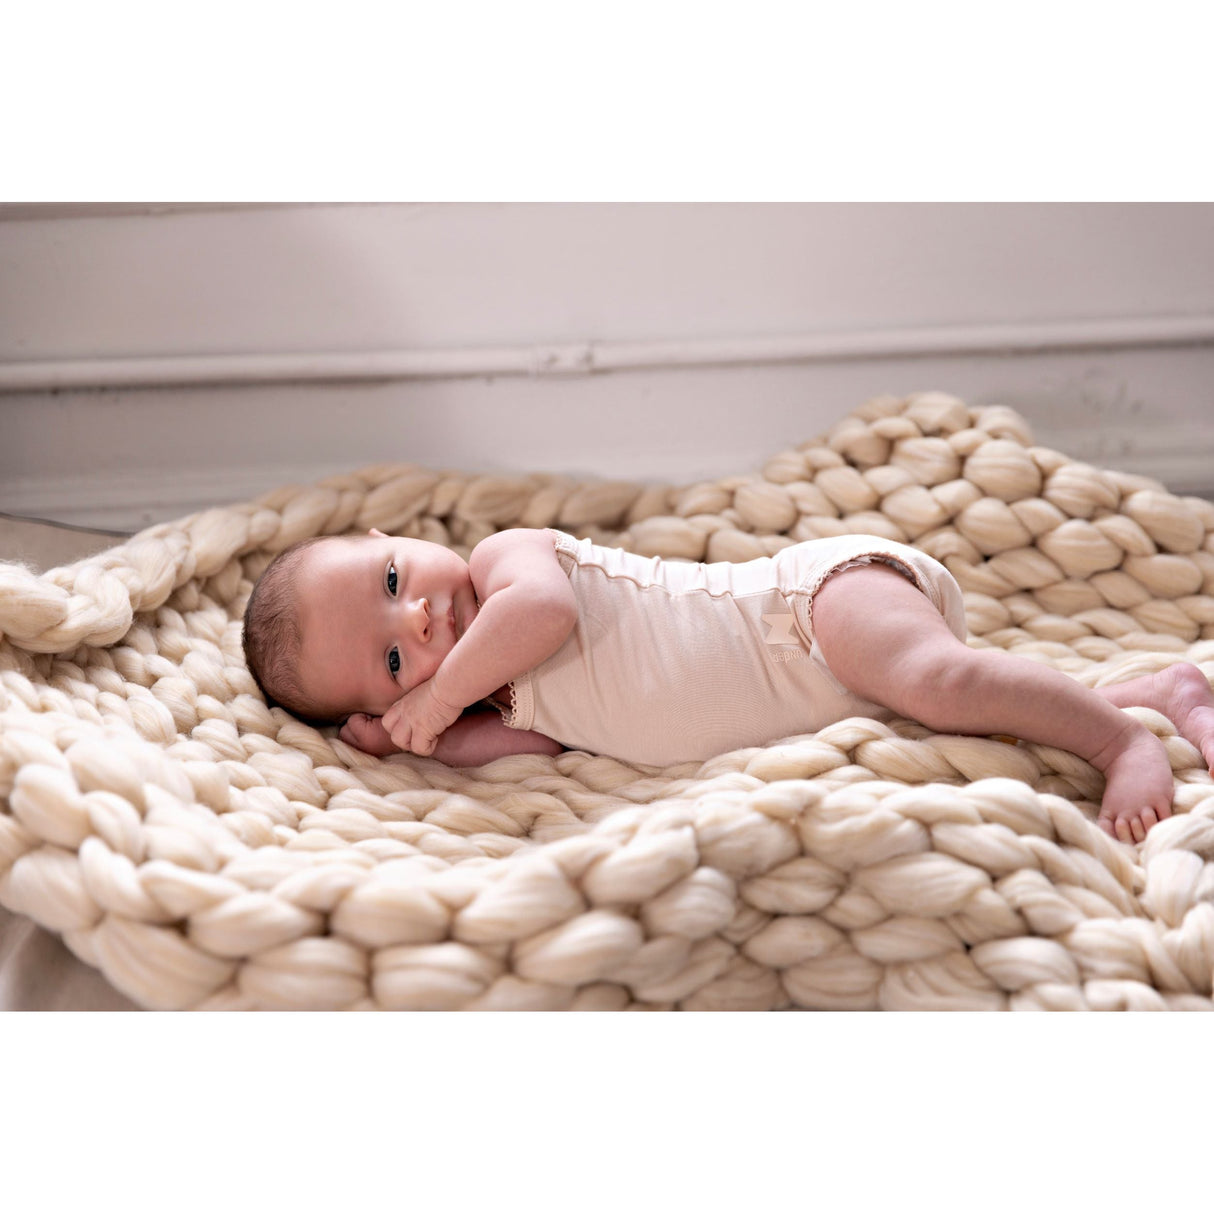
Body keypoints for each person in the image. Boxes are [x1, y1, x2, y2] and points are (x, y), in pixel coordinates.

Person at [241, 526, 1214, 845]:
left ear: (392, 537)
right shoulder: (496, 697)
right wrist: (429, 737)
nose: (416, 617)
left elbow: (546, 613)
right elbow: (537, 747)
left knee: (942, 677)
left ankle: (1116, 742)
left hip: (806, 609)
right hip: (829, 687)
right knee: (964, 706)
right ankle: (1154, 696)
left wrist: (431, 692)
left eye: (391, 580)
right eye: (391, 659)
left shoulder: (506, 565)